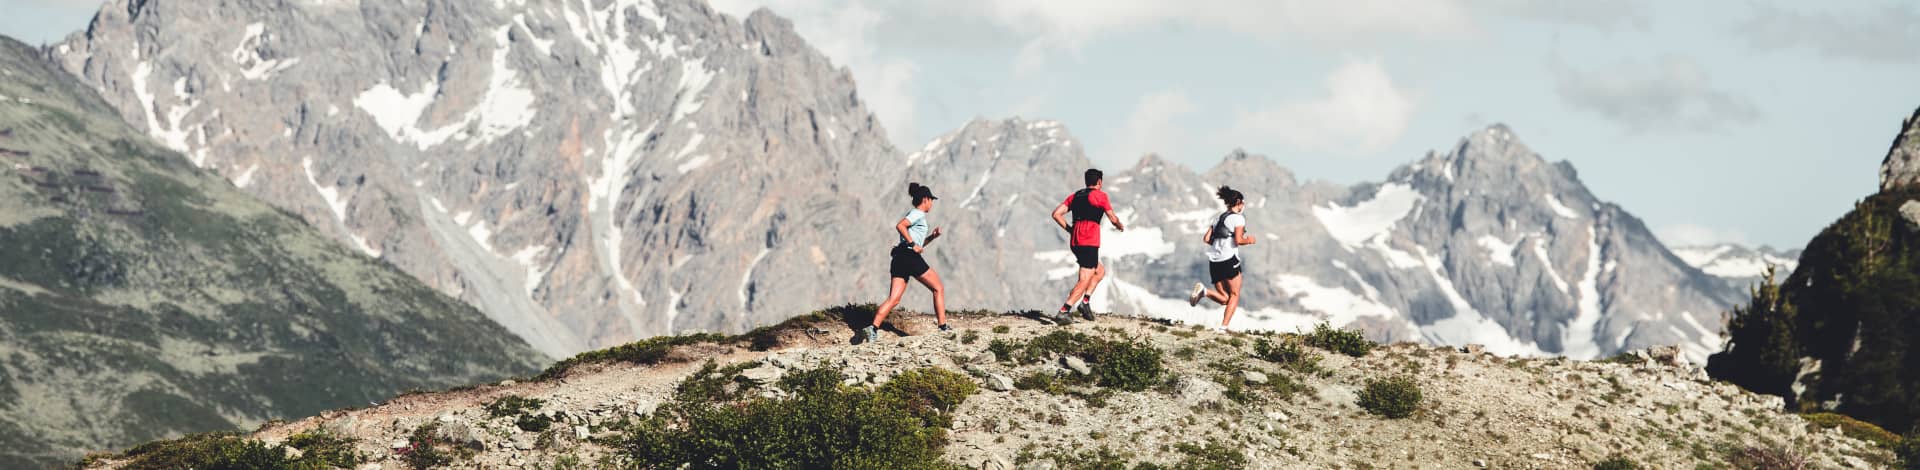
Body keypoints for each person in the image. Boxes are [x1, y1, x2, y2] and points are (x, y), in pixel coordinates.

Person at [864, 183, 948, 344]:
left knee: (894, 299)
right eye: (931, 200)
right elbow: (900, 225)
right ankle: (943, 328)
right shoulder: (917, 214)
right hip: (909, 256)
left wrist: (932, 237)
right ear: (925, 199)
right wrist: (911, 244)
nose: (932, 203)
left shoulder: (917, 216)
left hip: (900, 257)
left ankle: (872, 328)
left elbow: (918, 245)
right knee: (938, 288)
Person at [1050, 168, 1124, 324]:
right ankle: (1064, 311)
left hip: (1076, 240)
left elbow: (1056, 214)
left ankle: (1084, 303)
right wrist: (1119, 224)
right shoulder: (1100, 196)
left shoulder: (1075, 196)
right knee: (1085, 279)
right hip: (1089, 240)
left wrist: (1070, 229)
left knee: (1100, 271)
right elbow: (1112, 217)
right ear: (1099, 182)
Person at [1189, 186, 1254, 328]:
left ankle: (1204, 291)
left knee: (1225, 298)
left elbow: (1206, 239)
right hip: (1229, 259)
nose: (1243, 205)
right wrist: (1249, 240)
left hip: (1214, 261)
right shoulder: (1238, 219)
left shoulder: (1218, 217)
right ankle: (1223, 328)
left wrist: (1219, 243)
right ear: (1238, 202)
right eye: (1242, 202)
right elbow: (1238, 240)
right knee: (1235, 295)